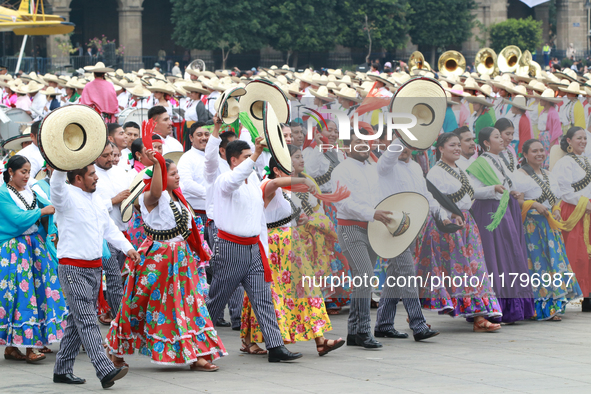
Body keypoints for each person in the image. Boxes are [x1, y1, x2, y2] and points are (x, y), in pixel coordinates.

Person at [105, 150, 226, 371]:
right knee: (137, 304)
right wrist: (158, 163)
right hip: (158, 259)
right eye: (172, 173)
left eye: (177, 172)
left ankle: (197, 354)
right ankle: (116, 350)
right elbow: (157, 189)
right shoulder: (150, 198)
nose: (177, 176)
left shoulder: (178, 198)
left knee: (190, 306)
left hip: (181, 259)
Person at [240, 146, 345, 356]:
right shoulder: (265, 185)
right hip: (272, 248)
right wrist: (303, 180)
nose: (292, 173)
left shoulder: (286, 192)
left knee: (308, 290)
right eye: (287, 168)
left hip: (292, 247)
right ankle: (248, 340)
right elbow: (275, 183)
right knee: (267, 294)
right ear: (277, 171)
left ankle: (321, 341)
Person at [205, 138, 303, 362]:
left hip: (254, 246)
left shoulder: (253, 179)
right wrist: (257, 154)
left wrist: (264, 252)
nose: (251, 160)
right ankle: (198, 342)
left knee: (263, 298)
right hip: (230, 247)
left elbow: (260, 220)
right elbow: (234, 179)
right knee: (217, 299)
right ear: (233, 160)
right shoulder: (223, 180)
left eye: (252, 156)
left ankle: (275, 346)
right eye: (246, 157)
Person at [51, 163, 140, 388]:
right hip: (73, 269)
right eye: (92, 175)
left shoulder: (97, 199)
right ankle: (105, 369)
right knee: (88, 320)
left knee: (76, 320)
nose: (96, 178)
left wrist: (128, 247)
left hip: (94, 268)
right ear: (78, 178)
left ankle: (62, 370)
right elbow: (56, 184)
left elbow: (109, 229)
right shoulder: (65, 197)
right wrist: (63, 161)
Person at [416, 133, 502, 332]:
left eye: (457, 145)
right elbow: (434, 200)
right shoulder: (436, 173)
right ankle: (416, 316)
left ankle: (480, 317)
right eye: (451, 145)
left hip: (466, 223)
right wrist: (448, 217)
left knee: (475, 268)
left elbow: (470, 193)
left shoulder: (461, 168)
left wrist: (492, 190)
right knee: (447, 272)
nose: (456, 148)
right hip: (447, 225)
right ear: (440, 149)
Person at [372, 136, 441, 342]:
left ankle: (383, 323)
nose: (402, 149)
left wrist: (443, 215)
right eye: (398, 144)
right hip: (392, 227)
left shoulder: (415, 167)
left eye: (407, 144)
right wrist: (401, 136)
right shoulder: (385, 165)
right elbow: (390, 157)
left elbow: (425, 195)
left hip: (412, 227)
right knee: (407, 273)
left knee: (396, 274)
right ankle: (418, 324)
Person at [0, 156, 67, 363]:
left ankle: (14, 348)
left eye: (29, 172)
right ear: (11, 172)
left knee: (37, 293)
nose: (27, 176)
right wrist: (42, 211)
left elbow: (51, 208)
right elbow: (16, 218)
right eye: (23, 172)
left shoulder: (31, 191)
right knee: (21, 294)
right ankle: (29, 348)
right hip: (15, 249)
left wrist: (47, 214)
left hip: (34, 247)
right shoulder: (3, 194)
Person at [466, 127, 534, 323]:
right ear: (486, 143)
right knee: (496, 258)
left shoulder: (502, 160)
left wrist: (513, 192)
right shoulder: (479, 164)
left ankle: (515, 307)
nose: (503, 140)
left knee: (511, 255)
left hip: (507, 210)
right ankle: (496, 307)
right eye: (497, 137)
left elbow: (507, 184)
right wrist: (493, 189)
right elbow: (473, 191)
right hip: (490, 212)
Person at [517, 139, 582, 320]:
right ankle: (540, 308)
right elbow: (517, 201)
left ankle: (554, 306)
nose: (539, 154)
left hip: (551, 226)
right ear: (525, 155)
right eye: (534, 151)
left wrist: (556, 210)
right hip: (532, 227)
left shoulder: (548, 174)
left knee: (555, 264)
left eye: (541, 150)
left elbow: (556, 200)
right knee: (539, 266)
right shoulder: (520, 175)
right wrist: (534, 204)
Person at [203, 121, 243, 330]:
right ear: (222, 150)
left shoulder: (243, 171)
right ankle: (213, 316)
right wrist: (216, 128)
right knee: (226, 272)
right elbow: (209, 157)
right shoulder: (214, 168)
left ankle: (237, 317)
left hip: (240, 228)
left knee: (235, 272)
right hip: (219, 227)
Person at [552, 127, 591, 312]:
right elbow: (565, 192)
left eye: (585, 138)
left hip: (588, 209)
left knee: (588, 255)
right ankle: (565, 295)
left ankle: (588, 296)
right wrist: (585, 204)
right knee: (574, 254)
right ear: (569, 141)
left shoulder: (586, 161)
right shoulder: (565, 163)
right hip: (575, 211)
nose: (583, 141)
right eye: (579, 138)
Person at [93, 143, 132, 321]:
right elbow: (90, 206)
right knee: (114, 280)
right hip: (103, 237)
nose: (110, 159)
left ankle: (118, 318)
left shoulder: (119, 171)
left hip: (122, 233)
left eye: (112, 154)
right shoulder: (91, 175)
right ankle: (119, 321)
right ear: (95, 157)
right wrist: (114, 200)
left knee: (121, 280)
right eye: (105, 155)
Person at [178, 122, 210, 228]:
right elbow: (186, 184)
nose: (204, 138)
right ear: (191, 138)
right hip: (197, 213)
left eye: (207, 134)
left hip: (216, 212)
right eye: (199, 135)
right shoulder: (187, 158)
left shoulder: (216, 156)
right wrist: (212, 195)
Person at [537, 89, 562, 168]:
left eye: (542, 99)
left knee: (548, 159)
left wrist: (551, 145)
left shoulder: (553, 113)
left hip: (548, 139)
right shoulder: (543, 111)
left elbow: (556, 130)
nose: (540, 100)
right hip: (542, 138)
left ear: (547, 101)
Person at [17, 121, 44, 187]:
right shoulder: (23, 155)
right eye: (42, 134)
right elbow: (26, 180)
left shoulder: (55, 150)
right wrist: (45, 187)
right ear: (32, 136)